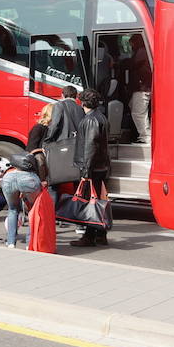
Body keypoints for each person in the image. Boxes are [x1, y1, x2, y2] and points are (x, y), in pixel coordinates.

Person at [71, 88, 111, 247]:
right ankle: (101, 234)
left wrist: (85, 172)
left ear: (82, 102)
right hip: (100, 166)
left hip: (92, 168)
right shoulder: (100, 117)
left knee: (90, 202)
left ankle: (89, 236)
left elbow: (89, 147)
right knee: (99, 201)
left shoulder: (89, 120)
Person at [0, 153, 42, 248]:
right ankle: (29, 244)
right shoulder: (34, 170)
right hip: (29, 181)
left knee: (12, 210)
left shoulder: (10, 172)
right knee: (32, 210)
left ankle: (10, 242)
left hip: (8, 180)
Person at [127, 36, 152, 144]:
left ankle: (146, 137)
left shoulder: (141, 52)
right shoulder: (146, 50)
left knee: (138, 113)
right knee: (134, 107)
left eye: (131, 43)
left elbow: (132, 64)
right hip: (144, 86)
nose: (130, 46)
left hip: (141, 88)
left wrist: (118, 64)